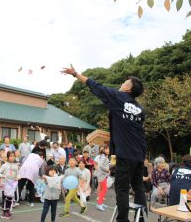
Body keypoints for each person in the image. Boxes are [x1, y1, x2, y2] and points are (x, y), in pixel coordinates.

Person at [61, 65, 147, 221]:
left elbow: (96, 87)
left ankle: (122, 220)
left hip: (125, 153)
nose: (122, 83)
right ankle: (141, 219)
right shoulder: (140, 109)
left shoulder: (118, 98)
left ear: (128, 87)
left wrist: (76, 74)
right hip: (140, 153)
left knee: (122, 189)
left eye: (125, 82)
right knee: (138, 187)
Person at [0, 151, 20, 219]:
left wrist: (18, 177)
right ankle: (5, 211)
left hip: (12, 183)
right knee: (5, 197)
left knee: (10, 197)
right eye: (10, 156)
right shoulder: (4, 165)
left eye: (13, 156)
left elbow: (18, 173)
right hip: (5, 183)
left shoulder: (16, 165)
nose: (12, 157)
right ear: (8, 157)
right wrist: (2, 176)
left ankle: (7, 210)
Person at [94, 146, 110, 211]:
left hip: (103, 174)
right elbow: (100, 165)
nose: (109, 150)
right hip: (102, 175)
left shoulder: (104, 156)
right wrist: (107, 169)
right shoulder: (103, 156)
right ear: (104, 150)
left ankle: (100, 203)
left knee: (103, 189)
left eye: (109, 149)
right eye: (107, 149)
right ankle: (99, 204)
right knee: (104, 189)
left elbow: (104, 164)